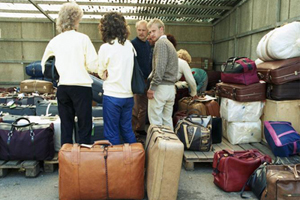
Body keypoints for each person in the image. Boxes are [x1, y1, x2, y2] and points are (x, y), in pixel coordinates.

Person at [41, 2, 98, 145]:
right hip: (81, 87)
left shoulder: (54, 41)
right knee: (84, 126)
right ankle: (83, 159)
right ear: (77, 19)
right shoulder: (83, 38)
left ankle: (67, 161)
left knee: (66, 126)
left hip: (63, 87)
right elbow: (93, 65)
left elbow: (44, 66)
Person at [97, 12, 136, 145]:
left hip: (112, 96)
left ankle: (116, 164)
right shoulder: (130, 46)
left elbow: (101, 72)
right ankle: (133, 162)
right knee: (127, 129)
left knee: (111, 132)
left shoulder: (106, 48)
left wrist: (105, 73)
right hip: (128, 96)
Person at [147, 19, 178, 128]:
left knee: (156, 122)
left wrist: (152, 87)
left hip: (161, 88)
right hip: (170, 88)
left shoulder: (160, 43)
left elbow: (159, 68)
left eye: (153, 31)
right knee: (167, 121)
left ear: (161, 29)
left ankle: (158, 145)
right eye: (150, 32)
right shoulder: (170, 45)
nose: (151, 34)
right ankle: (171, 144)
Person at [131, 20, 152, 136]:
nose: (141, 32)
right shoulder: (132, 43)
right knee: (135, 106)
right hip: (137, 80)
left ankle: (140, 128)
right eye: (139, 30)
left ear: (147, 31)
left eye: (143, 30)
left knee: (144, 106)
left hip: (147, 80)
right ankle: (132, 131)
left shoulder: (148, 44)